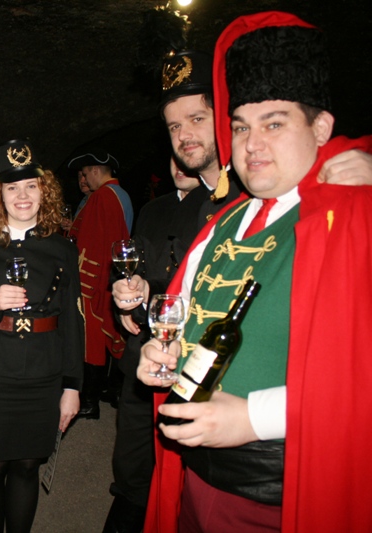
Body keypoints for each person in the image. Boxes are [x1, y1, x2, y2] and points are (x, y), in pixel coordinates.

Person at [137, 13, 372, 532]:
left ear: (321, 127)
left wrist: (254, 417)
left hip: (281, 496)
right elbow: (186, 318)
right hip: (194, 477)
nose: (251, 144)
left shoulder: (354, 215)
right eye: (241, 126)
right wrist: (163, 354)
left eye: (274, 123)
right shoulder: (221, 223)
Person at [0, 139, 84, 533]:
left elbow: (73, 320)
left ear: (44, 191)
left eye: (31, 186)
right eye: (12, 187)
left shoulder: (62, 248)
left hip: (44, 371)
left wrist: (72, 386)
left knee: (28, 466)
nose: (22, 196)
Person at [102, 156, 201, 533]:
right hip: (142, 347)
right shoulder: (153, 209)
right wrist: (125, 301)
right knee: (132, 450)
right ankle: (129, 507)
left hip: (190, 351)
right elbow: (132, 268)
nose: (180, 165)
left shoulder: (225, 207)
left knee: (183, 457)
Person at [67, 148, 131, 419]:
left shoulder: (103, 196)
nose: (84, 179)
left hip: (95, 282)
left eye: (85, 173)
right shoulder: (119, 194)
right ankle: (104, 392)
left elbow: (94, 244)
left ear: (95, 170)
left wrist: (84, 283)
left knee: (92, 341)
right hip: (109, 277)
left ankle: (89, 401)